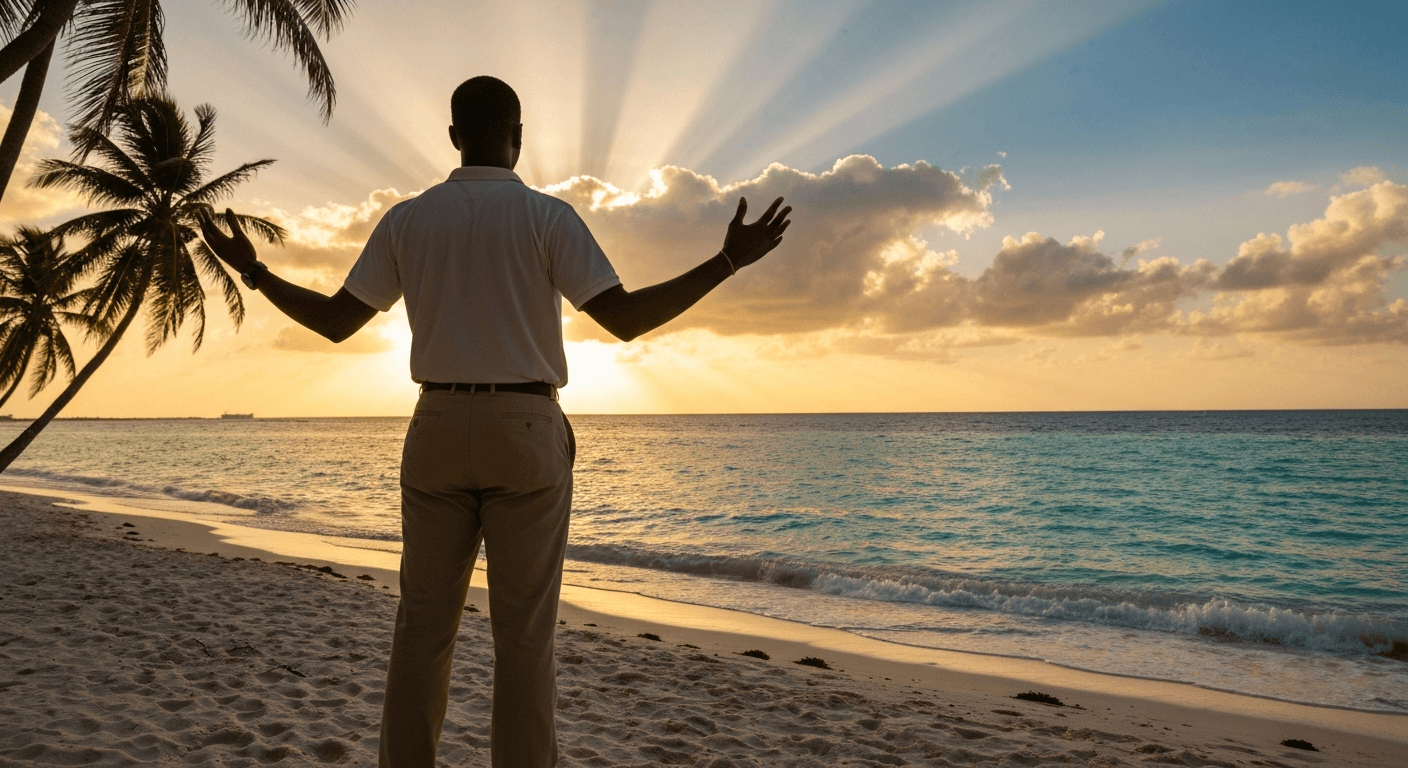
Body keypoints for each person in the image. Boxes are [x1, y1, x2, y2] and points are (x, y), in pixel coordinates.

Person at [197, 75, 790, 767]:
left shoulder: (409, 219)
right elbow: (626, 321)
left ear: (453, 137)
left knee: (421, 631)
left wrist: (256, 273)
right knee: (525, 640)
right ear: (518, 136)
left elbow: (335, 324)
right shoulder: (548, 217)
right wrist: (726, 261)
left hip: (437, 424)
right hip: (526, 428)